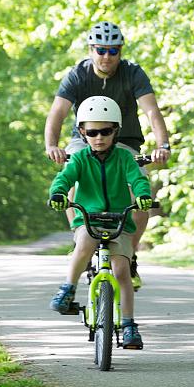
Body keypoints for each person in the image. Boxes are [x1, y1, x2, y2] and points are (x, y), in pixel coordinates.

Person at [43, 21, 171, 289]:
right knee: (72, 182)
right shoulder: (78, 74)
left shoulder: (133, 73)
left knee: (141, 193)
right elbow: (57, 112)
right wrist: (52, 145)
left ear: (120, 51)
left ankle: (129, 253)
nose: (106, 57)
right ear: (91, 49)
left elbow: (151, 111)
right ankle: (80, 236)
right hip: (85, 140)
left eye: (113, 51)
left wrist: (163, 145)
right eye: (101, 50)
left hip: (125, 141)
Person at [48, 96, 155, 350]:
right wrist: (59, 194)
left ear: (115, 131)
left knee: (121, 271)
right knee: (84, 241)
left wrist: (142, 196)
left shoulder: (124, 159)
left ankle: (129, 325)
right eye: (93, 132)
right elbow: (64, 179)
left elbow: (137, 180)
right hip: (89, 217)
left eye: (105, 131)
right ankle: (68, 289)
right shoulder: (80, 159)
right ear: (83, 132)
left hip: (119, 220)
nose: (99, 137)